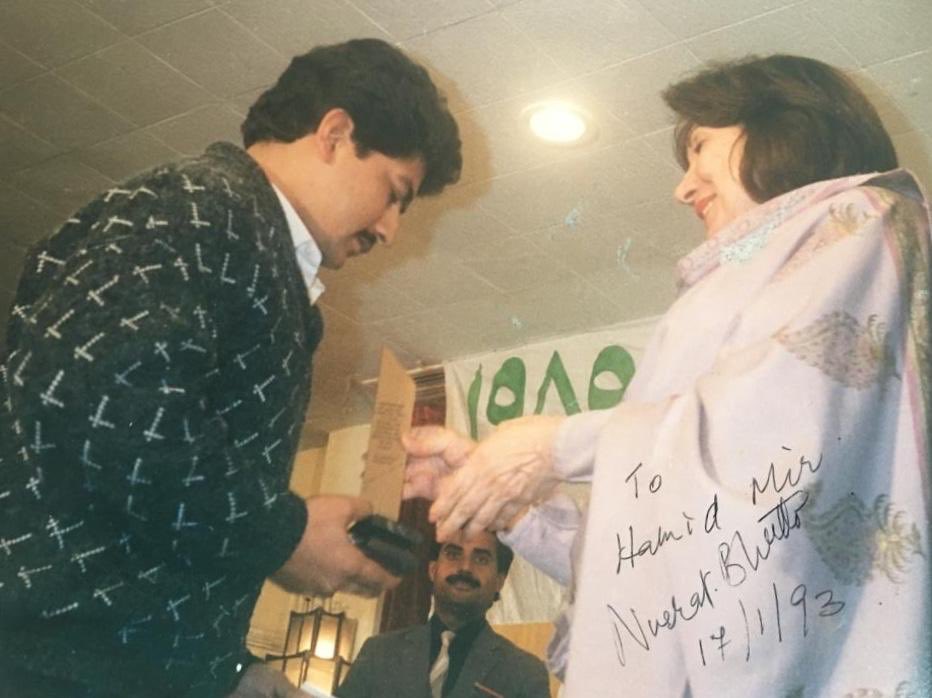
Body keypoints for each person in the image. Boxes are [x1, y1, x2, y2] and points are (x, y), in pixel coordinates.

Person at [403, 54, 930, 697]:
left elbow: (769, 449)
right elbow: (672, 550)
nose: (684, 189)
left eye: (701, 145)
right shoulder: (776, 267)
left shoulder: (861, 220)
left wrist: (553, 447)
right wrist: (512, 505)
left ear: (783, 125)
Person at [0, 38, 461, 698]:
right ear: (334, 132)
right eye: (394, 193)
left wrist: (227, 669)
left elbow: (138, 517)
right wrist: (285, 533)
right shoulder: (192, 210)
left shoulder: (237, 242)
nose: (390, 229)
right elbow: (110, 413)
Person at [335, 530, 550, 698]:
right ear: (432, 569)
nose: (465, 567)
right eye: (453, 554)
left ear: (499, 581)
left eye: (481, 559)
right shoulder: (378, 654)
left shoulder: (524, 674)